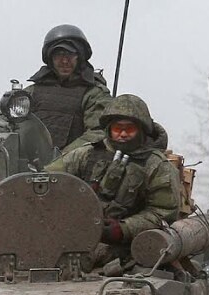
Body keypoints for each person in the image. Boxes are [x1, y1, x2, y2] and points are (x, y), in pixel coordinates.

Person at [46, 94, 182, 265]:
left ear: (141, 129)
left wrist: (124, 228)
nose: (123, 134)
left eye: (129, 129)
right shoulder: (86, 154)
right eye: (118, 128)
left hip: (129, 246)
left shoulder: (156, 165)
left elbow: (163, 212)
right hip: (74, 237)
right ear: (109, 129)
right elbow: (48, 181)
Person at [26, 25, 111, 155]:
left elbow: (98, 133)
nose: (65, 61)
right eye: (59, 55)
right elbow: (9, 127)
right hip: (29, 162)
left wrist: (62, 158)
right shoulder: (31, 93)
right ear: (50, 57)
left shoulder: (93, 94)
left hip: (75, 164)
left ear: (79, 57)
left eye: (70, 55)